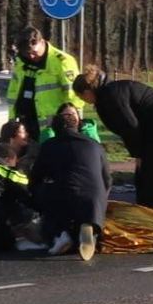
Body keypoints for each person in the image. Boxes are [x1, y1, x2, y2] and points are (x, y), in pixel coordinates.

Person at [72, 65, 153, 211]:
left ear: (87, 91)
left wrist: (138, 154)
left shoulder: (110, 97)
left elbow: (130, 127)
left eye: (81, 96)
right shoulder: (112, 91)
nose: (82, 100)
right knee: (147, 178)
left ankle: (152, 217)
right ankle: (147, 213)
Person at [29, 103, 111, 260]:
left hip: (65, 196)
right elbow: (107, 177)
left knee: (44, 191)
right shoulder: (94, 144)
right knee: (87, 202)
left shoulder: (49, 145)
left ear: (56, 128)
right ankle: (90, 227)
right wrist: (102, 198)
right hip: (95, 198)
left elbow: (36, 176)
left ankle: (60, 233)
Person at [7, 26, 81, 141]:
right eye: (27, 53)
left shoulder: (62, 61)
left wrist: (71, 125)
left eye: (34, 52)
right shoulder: (20, 63)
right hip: (25, 127)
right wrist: (12, 121)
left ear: (42, 42)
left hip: (53, 128)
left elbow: (73, 96)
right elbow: (12, 95)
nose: (31, 56)